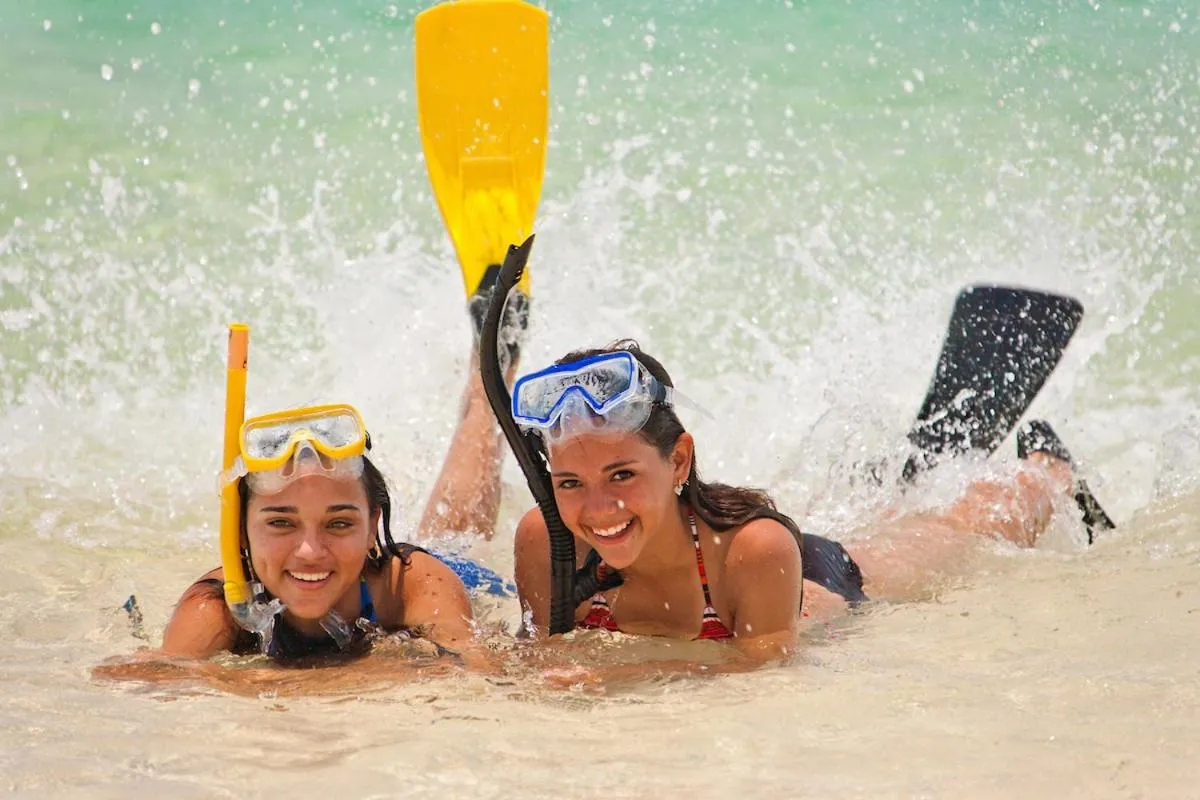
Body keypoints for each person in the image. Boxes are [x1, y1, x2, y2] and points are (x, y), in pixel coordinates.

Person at [511, 341, 1092, 664]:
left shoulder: (755, 550)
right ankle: (916, 472)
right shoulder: (546, 540)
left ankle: (1048, 473)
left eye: (621, 474)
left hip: (810, 583)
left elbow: (760, 678)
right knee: (900, 504)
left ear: (679, 461)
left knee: (962, 530)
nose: (599, 507)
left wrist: (606, 680)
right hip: (739, 561)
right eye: (570, 483)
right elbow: (540, 650)